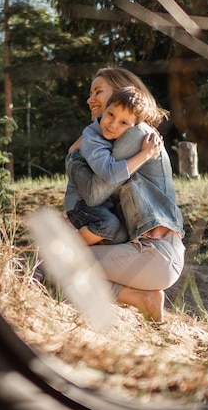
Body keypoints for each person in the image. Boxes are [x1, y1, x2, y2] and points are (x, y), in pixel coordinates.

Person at [65, 67, 185, 322]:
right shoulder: (119, 136)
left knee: (60, 264)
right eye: (90, 92)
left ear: (121, 93)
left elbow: (95, 192)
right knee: (60, 261)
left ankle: (141, 298)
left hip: (154, 253)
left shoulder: (136, 135)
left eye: (98, 91)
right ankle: (144, 298)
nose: (90, 99)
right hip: (152, 253)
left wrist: (73, 157)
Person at [65, 86, 164, 246]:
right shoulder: (91, 137)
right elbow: (109, 174)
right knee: (108, 225)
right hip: (79, 202)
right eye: (110, 114)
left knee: (120, 236)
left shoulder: (121, 137)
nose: (112, 124)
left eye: (123, 122)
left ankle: (87, 249)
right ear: (105, 110)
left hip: (103, 202)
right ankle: (66, 248)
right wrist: (145, 154)